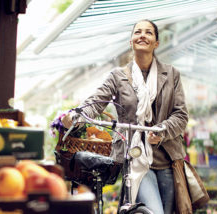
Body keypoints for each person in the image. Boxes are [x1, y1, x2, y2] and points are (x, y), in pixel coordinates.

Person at [61, 19, 188, 214]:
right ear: (131, 41)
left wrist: (162, 131)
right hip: (135, 157)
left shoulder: (171, 74)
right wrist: (75, 116)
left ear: (156, 43)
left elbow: (180, 114)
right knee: (155, 212)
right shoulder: (118, 76)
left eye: (148, 32)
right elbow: (96, 101)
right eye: (138, 32)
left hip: (168, 159)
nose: (142, 35)